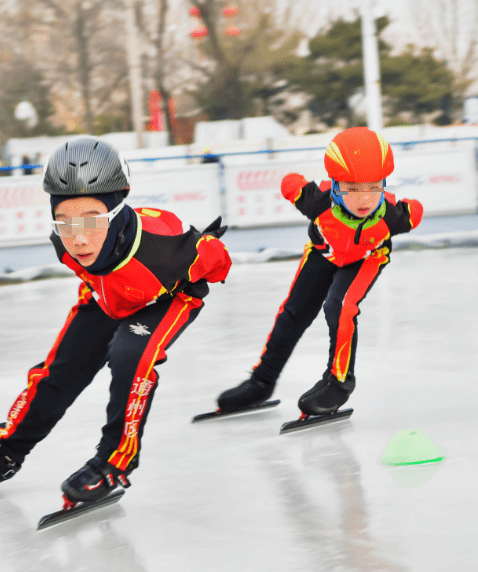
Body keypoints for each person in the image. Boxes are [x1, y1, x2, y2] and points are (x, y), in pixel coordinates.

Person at [0, 136, 231, 506]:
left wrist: (200, 259)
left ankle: (114, 461)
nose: (79, 238)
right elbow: (89, 269)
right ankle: (9, 448)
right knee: (61, 370)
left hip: (166, 295)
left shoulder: (166, 248)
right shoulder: (64, 244)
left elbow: (217, 260)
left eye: (92, 220)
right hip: (109, 294)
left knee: (130, 357)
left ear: (116, 208)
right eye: (65, 221)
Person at [217, 126, 423, 416]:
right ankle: (262, 381)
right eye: (352, 188)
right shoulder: (316, 201)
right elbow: (292, 184)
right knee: (294, 313)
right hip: (324, 253)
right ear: (336, 185)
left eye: (374, 186)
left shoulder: (395, 217)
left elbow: (414, 211)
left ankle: (338, 383)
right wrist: (293, 185)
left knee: (341, 306)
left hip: (367, 258)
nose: (364, 199)